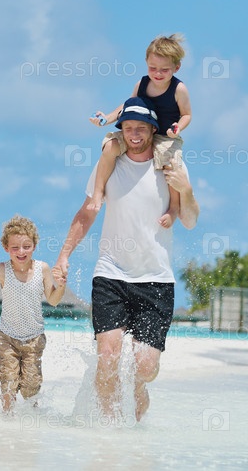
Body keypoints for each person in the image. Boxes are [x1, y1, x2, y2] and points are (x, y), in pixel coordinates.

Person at [55, 101, 199, 422]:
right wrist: (64, 255)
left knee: (145, 368)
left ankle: (138, 388)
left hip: (156, 280)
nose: (134, 134)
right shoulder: (110, 162)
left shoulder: (170, 164)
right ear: (121, 130)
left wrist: (187, 190)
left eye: (141, 128)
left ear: (152, 130)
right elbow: (87, 212)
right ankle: (109, 432)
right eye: (128, 127)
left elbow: (189, 220)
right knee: (107, 358)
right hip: (111, 274)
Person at [88, 33, 193, 229]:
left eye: (164, 70)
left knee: (170, 162)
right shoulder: (142, 84)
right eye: (153, 68)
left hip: (165, 135)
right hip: (139, 129)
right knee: (110, 146)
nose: (158, 73)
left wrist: (178, 127)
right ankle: (98, 192)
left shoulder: (179, 89)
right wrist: (106, 119)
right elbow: (128, 106)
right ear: (146, 63)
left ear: (176, 68)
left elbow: (187, 114)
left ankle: (173, 208)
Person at [0, 215, 67, 412]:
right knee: (8, 382)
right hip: (7, 338)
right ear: (6, 248)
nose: (21, 252)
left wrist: (61, 285)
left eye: (26, 246)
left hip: (34, 339)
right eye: (15, 247)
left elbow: (53, 300)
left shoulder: (42, 269)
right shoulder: (1, 270)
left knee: (31, 387)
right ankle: (6, 420)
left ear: (34, 246)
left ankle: (32, 419)